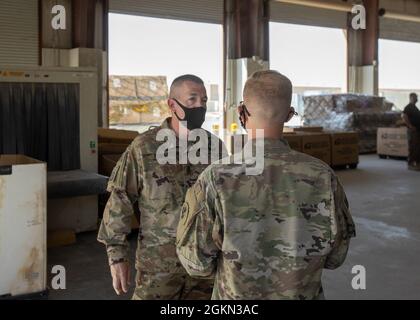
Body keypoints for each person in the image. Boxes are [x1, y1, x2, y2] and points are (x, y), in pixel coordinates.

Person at [176, 70, 356, 300]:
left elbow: (196, 263)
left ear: (241, 112)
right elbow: (336, 257)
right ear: (289, 115)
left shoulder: (215, 177)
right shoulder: (323, 176)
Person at [98, 74, 228, 299]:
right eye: (192, 100)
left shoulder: (214, 147)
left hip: (204, 267)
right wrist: (117, 256)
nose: (200, 106)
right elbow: (120, 200)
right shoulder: (144, 147)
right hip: (158, 268)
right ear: (172, 105)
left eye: (204, 101)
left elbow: (226, 204)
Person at [402, 93, 420, 171]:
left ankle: (417, 162)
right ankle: (411, 163)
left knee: (417, 147)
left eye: (417, 97)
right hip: (413, 131)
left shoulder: (415, 108)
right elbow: (404, 116)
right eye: (415, 97)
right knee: (413, 146)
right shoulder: (408, 107)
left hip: (417, 130)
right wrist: (410, 126)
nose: (417, 99)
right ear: (411, 98)